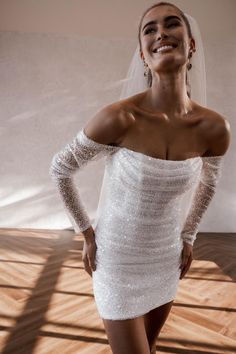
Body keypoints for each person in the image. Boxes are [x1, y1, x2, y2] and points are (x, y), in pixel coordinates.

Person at [49, 2, 231, 353]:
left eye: (171, 24)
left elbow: (208, 185)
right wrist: (86, 233)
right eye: (149, 29)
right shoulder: (119, 118)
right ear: (143, 54)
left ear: (191, 43)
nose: (160, 33)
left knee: (150, 346)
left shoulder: (214, 128)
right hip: (115, 260)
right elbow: (61, 169)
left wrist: (189, 236)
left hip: (166, 257)